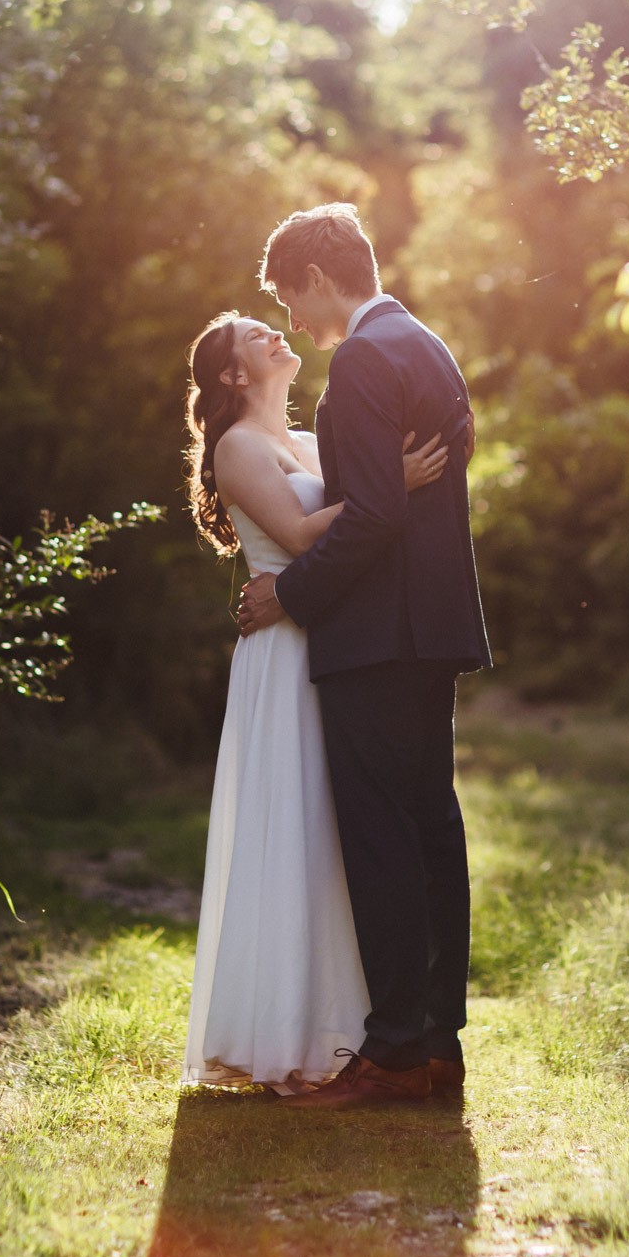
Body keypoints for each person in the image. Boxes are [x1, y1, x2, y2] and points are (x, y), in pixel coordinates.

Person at [238, 204, 490, 1108]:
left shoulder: (366, 355)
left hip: (379, 637)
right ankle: (435, 1045)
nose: (294, 321)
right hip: (425, 632)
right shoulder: (425, 344)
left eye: (289, 298)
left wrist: (288, 595)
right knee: (429, 833)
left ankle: (391, 1053)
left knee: (384, 843)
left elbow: (377, 514)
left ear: (316, 274)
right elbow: (407, 495)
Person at [182, 308, 448, 1093]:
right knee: (291, 825)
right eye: (255, 337)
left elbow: (348, 540)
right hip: (283, 656)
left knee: (340, 835)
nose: (276, 336)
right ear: (233, 377)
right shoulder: (238, 447)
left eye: (274, 326)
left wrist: (377, 492)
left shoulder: (305, 442)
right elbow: (300, 538)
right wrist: (387, 487)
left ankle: (349, 1025)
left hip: (332, 636)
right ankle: (277, 1032)